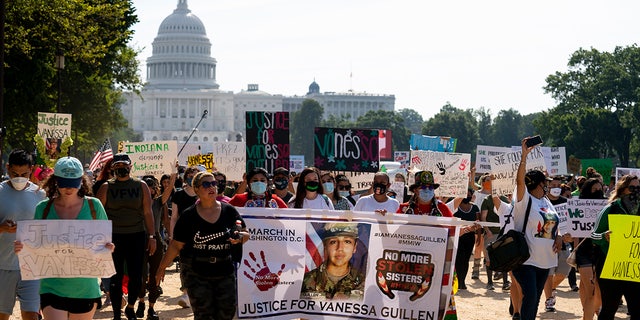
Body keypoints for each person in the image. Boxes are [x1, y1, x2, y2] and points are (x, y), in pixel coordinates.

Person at [15, 156, 114, 320]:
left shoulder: (94, 206)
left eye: (73, 183)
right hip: (51, 287)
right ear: (55, 181)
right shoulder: (43, 208)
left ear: (81, 181)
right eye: (64, 183)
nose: (69, 188)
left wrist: (108, 248)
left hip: (85, 288)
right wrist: (22, 248)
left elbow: (104, 244)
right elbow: (33, 245)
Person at [156, 171, 249, 320]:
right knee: (204, 315)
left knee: (227, 312)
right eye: (206, 184)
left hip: (224, 270)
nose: (212, 187)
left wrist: (240, 238)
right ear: (197, 189)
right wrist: (161, 269)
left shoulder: (229, 211)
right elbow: (176, 246)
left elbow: (245, 233)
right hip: (197, 272)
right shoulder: (188, 216)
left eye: (214, 184)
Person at [512, 137, 567, 320]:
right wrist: (524, 156)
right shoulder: (524, 200)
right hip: (526, 260)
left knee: (534, 301)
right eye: (545, 183)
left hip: (546, 260)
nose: (548, 186)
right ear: (537, 184)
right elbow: (520, 182)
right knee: (532, 296)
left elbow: (552, 224)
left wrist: (558, 236)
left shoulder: (546, 202)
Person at [96, 153, 156, 320]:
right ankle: (116, 314)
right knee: (115, 276)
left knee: (137, 275)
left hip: (136, 235)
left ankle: (130, 306)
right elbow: (98, 214)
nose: (121, 169)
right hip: (113, 238)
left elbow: (147, 211)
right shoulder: (106, 187)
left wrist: (152, 236)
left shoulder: (140, 185)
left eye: (124, 165)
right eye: (117, 166)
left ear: (130, 167)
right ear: (113, 168)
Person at [0, 149, 46, 320]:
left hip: (32, 267)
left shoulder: (40, 194)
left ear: (31, 170)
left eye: (24, 173)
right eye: (14, 173)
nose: (19, 177)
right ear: (7, 168)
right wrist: (2, 228)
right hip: (3, 266)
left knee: (32, 315)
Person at [591, 174, 640, 320]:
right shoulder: (610, 209)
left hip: (634, 267)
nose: (636, 191)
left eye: (638, 188)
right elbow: (593, 235)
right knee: (609, 309)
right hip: (611, 266)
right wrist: (604, 236)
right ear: (623, 189)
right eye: (632, 188)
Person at [135, 175, 174, 320]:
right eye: (146, 185)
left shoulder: (158, 202)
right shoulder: (136, 203)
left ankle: (151, 307)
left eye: (151, 186)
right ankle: (141, 302)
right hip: (140, 238)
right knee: (141, 275)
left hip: (155, 239)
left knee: (155, 276)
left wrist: (173, 175)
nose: (149, 188)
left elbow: (168, 191)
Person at [300, 223, 365, 300]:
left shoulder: (364, 283)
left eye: (347, 241)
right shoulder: (304, 281)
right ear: (325, 247)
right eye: (333, 242)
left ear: (354, 247)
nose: (340, 248)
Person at [574, 177, 605, 320]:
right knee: (591, 291)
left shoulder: (608, 207)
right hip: (584, 252)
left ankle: (591, 309)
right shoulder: (578, 206)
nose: (598, 192)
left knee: (597, 291)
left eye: (600, 189)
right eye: (595, 190)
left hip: (601, 251)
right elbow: (575, 232)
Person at [169, 165, 200, 308]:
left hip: (202, 235)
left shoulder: (203, 194)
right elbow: (174, 217)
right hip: (183, 235)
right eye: (190, 174)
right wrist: (172, 235)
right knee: (185, 264)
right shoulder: (179, 195)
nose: (192, 176)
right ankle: (186, 293)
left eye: (196, 174)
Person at [542, 175, 572, 312]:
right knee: (549, 273)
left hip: (564, 244)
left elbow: (571, 223)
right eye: (553, 185)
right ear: (547, 186)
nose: (555, 188)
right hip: (546, 244)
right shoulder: (542, 201)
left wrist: (569, 236)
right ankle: (549, 300)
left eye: (558, 186)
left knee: (564, 271)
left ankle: (551, 287)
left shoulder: (566, 202)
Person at [480, 175, 511, 291]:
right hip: (491, 233)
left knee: (504, 258)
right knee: (489, 258)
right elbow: (483, 217)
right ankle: (489, 282)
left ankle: (505, 282)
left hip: (503, 233)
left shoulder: (505, 200)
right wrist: (487, 230)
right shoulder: (487, 200)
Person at [449, 188, 481, 290]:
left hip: (469, 237)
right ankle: (457, 281)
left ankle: (462, 281)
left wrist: (479, 237)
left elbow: (479, 222)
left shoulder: (475, 207)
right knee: (458, 259)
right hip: (458, 236)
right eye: (465, 194)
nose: (467, 196)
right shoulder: (455, 207)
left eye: (469, 194)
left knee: (466, 260)